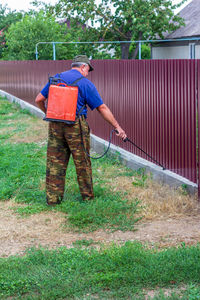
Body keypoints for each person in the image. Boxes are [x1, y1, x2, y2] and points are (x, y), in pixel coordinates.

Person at [35, 55, 127, 205]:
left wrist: (48, 113)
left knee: (55, 162)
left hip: (55, 124)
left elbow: (39, 99)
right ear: (83, 67)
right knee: (82, 162)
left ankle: (53, 200)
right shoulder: (85, 83)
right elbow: (101, 108)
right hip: (75, 126)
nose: (88, 73)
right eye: (88, 70)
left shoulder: (56, 79)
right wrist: (117, 127)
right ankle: (87, 198)